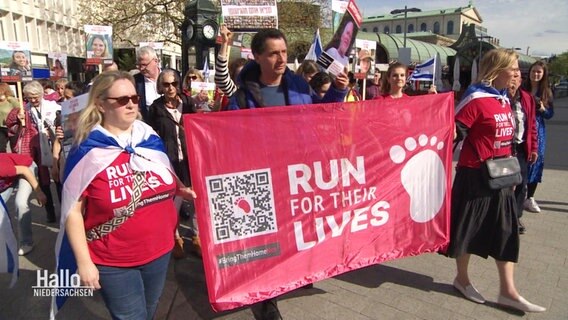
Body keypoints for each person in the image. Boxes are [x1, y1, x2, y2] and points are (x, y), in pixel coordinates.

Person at [227, 28, 348, 320]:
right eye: (273, 53)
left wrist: (338, 91)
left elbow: (321, 115)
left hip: (296, 176)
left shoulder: (298, 87)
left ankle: (294, 273)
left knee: (296, 232)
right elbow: (230, 141)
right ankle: (267, 302)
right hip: (262, 180)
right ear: (257, 56)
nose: (281, 59)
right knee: (267, 243)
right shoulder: (242, 97)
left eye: (283, 52)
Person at [60, 70, 196, 319]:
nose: (131, 103)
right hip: (114, 260)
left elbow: (162, 170)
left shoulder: (148, 137)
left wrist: (179, 188)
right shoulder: (86, 150)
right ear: (101, 104)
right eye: (122, 100)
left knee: (149, 310)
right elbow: (72, 210)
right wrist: (84, 262)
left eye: (134, 98)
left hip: (160, 251)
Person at [448, 48, 545, 312]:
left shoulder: (504, 99)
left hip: (502, 176)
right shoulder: (476, 99)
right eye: (513, 67)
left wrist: (513, 172)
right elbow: (453, 132)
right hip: (475, 176)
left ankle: (508, 291)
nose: (517, 73)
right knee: (467, 232)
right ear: (497, 70)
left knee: (506, 233)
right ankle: (462, 279)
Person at [148, 68, 197, 258]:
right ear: (161, 86)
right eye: (166, 84)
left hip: (190, 157)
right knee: (173, 200)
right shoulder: (156, 108)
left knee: (195, 197)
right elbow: (151, 134)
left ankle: (196, 236)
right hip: (169, 159)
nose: (170, 88)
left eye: (174, 83)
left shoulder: (188, 103)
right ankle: (175, 237)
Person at [6, 81, 60, 226]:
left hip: (52, 145)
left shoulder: (53, 106)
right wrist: (19, 120)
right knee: (44, 181)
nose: (34, 100)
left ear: (42, 94)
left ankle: (63, 209)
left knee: (58, 178)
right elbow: (10, 125)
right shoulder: (24, 110)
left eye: (36, 97)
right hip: (35, 147)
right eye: (30, 97)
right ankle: (50, 213)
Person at [522, 61, 554, 213]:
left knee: (536, 161)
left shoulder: (546, 92)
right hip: (522, 127)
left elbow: (550, 115)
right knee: (521, 160)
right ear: (529, 72)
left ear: (543, 75)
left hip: (538, 129)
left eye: (539, 72)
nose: (535, 74)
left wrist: (542, 108)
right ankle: (520, 194)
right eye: (533, 71)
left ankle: (530, 197)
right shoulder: (522, 89)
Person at [507, 74, 537, 234]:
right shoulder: (498, 96)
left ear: (520, 81)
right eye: (511, 77)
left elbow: (532, 125)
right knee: (502, 184)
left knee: (521, 183)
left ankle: (516, 216)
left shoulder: (526, 98)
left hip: (520, 148)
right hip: (503, 149)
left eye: (516, 78)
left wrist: (533, 148)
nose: (513, 81)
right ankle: (501, 217)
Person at [213, 24, 248, 111]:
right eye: (239, 77)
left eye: (245, 76)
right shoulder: (236, 93)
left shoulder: (262, 91)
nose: (243, 80)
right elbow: (221, 77)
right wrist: (225, 42)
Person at [134, 46, 161, 121]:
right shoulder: (135, 81)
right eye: (139, 65)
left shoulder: (170, 76)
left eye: (144, 65)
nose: (141, 68)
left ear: (155, 61)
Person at [0, 83, 20, 152]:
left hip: (12, 127)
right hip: (1, 128)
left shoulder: (11, 100)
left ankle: (16, 160)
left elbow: (20, 109)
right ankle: (4, 161)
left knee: (14, 147)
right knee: (1, 147)